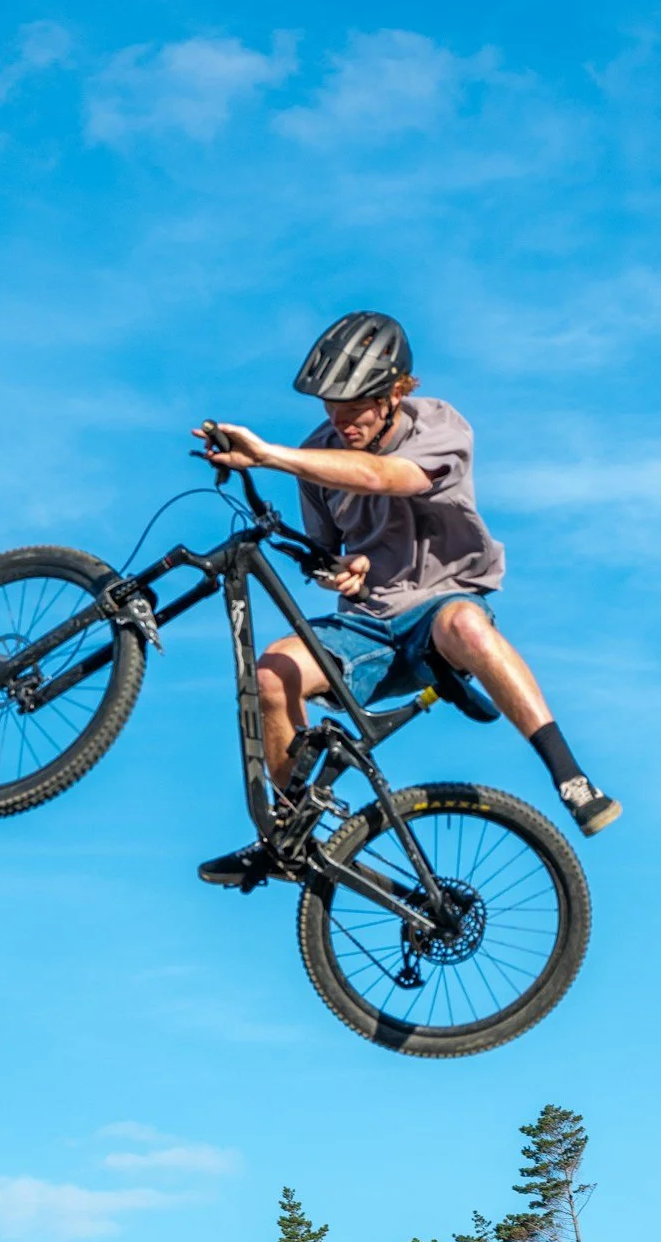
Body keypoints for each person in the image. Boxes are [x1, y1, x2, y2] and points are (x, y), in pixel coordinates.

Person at [192, 310, 620, 889]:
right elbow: (325, 555)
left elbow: (384, 478)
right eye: (330, 410)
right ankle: (287, 835)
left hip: (437, 609)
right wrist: (340, 572)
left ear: (397, 392)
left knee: (466, 625)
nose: (340, 423)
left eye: (355, 409)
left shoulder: (441, 426)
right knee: (271, 674)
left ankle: (572, 778)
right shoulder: (317, 456)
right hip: (366, 628)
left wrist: (267, 455)